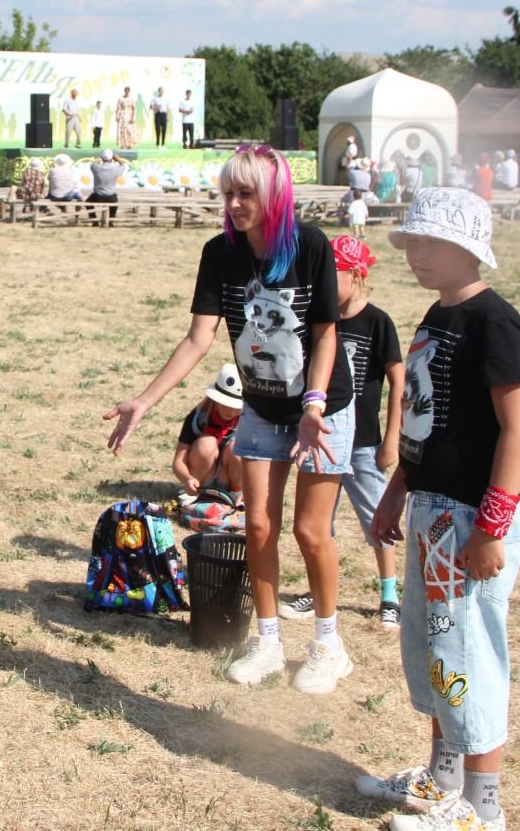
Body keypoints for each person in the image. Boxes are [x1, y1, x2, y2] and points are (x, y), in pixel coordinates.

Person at [106, 143, 357, 692]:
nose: (236, 204)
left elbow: (324, 335)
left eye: (247, 193)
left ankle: (327, 644)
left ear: (274, 196)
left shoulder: (310, 245)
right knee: (259, 525)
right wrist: (145, 402)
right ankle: (267, 641)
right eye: (229, 194)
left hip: (323, 407)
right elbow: (200, 338)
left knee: (310, 530)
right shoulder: (220, 252)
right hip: (262, 408)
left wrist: (314, 404)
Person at [354, 187, 520, 831]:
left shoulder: (498, 324)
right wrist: (399, 489)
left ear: (466, 248)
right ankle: (442, 779)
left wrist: (490, 527)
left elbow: (518, 431)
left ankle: (483, 808)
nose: (414, 255)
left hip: (470, 520)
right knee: (435, 651)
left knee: (470, 655)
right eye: (411, 244)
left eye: (427, 244)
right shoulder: (435, 318)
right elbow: (427, 423)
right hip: (431, 511)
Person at [281, 237, 404, 630]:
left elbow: (399, 384)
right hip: (325, 441)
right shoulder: (320, 321)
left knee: (378, 521)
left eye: (330, 277)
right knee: (319, 525)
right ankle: (318, 592)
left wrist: (391, 440)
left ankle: (390, 595)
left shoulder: (377, 322)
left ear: (355, 275)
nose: (322, 287)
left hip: (365, 443)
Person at [171, 363, 244, 496]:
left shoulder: (248, 420)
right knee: (206, 443)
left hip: (228, 479)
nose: (232, 411)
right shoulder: (198, 418)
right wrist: (188, 479)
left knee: (239, 448)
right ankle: (196, 493)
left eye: (237, 407)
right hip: (203, 479)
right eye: (227, 404)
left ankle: (236, 495)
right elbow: (178, 462)